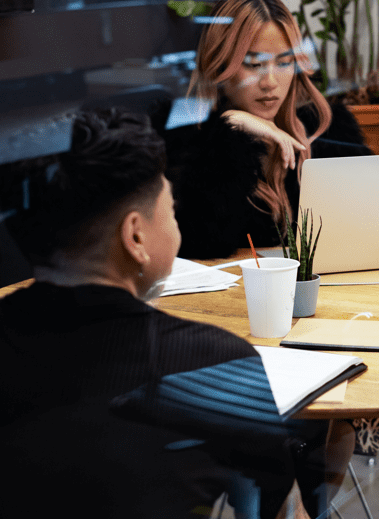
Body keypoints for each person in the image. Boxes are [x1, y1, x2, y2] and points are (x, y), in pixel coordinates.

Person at [0, 108, 350, 519]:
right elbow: (276, 509)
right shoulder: (213, 364)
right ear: (135, 236)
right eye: (170, 211)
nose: (177, 227)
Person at [163, 0, 370, 260]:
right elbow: (202, 245)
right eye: (254, 64)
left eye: (284, 63)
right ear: (219, 66)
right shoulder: (191, 142)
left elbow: (366, 230)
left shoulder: (323, 130)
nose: (270, 82)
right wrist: (230, 129)